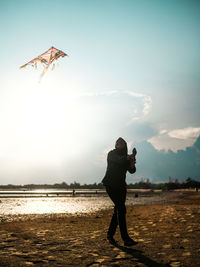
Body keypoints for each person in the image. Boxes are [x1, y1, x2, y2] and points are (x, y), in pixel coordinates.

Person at [102, 137, 137, 246]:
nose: (118, 143)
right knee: (121, 209)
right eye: (117, 142)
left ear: (125, 145)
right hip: (110, 185)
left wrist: (132, 160)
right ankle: (125, 238)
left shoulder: (126, 157)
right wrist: (129, 157)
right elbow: (118, 160)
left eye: (121, 142)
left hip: (121, 186)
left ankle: (110, 235)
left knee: (119, 209)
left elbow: (132, 170)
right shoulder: (111, 154)